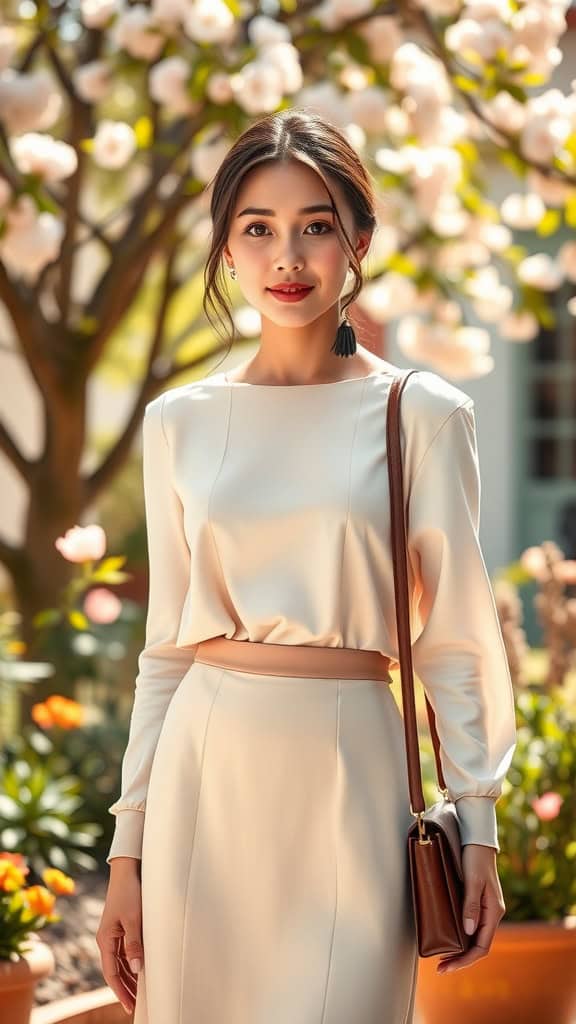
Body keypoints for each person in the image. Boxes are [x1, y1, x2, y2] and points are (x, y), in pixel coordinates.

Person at [96, 108, 517, 1024]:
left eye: (316, 226)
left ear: (358, 240)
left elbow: (454, 637)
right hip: (203, 777)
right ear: (227, 253)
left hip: (352, 773)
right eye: (259, 229)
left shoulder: (424, 415)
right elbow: (166, 651)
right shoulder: (180, 422)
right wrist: (128, 853)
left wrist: (476, 823)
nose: (288, 256)